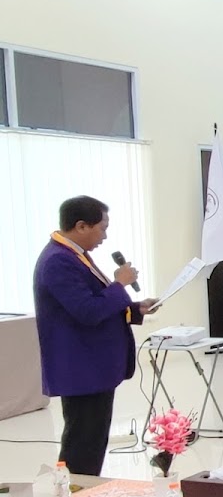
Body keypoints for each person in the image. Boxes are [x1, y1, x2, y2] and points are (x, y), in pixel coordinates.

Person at [34, 196, 156, 476]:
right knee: (82, 444)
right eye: (102, 228)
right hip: (81, 368)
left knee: (92, 441)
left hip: (93, 367)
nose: (105, 236)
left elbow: (95, 302)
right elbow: (88, 311)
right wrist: (120, 284)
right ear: (81, 226)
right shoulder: (58, 261)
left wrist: (135, 308)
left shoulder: (74, 255)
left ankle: (84, 494)